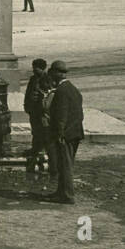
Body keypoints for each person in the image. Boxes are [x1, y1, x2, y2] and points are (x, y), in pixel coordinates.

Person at [45, 60, 83, 204]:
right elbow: (79, 114)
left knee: (65, 165)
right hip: (75, 132)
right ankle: (61, 192)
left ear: (56, 74)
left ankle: (67, 195)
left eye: (52, 73)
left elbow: (62, 115)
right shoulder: (73, 89)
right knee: (64, 164)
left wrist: (60, 134)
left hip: (66, 134)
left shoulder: (61, 91)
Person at [23, 58, 51, 176]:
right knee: (35, 129)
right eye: (33, 67)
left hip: (41, 110)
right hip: (33, 109)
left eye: (37, 68)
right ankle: (35, 148)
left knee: (43, 130)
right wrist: (26, 105)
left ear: (42, 68)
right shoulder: (33, 79)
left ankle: (41, 150)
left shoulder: (47, 79)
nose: (34, 70)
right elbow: (28, 92)